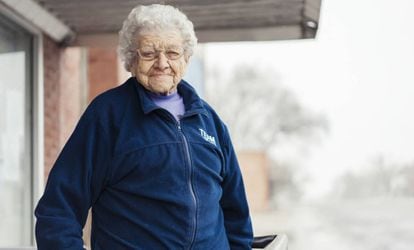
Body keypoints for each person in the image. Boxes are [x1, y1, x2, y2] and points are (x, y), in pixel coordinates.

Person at [35, 4, 253, 250]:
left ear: (186, 58)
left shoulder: (209, 121)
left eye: (172, 53)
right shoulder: (107, 115)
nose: (162, 63)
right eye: (149, 53)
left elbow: (237, 218)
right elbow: (57, 212)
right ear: (131, 58)